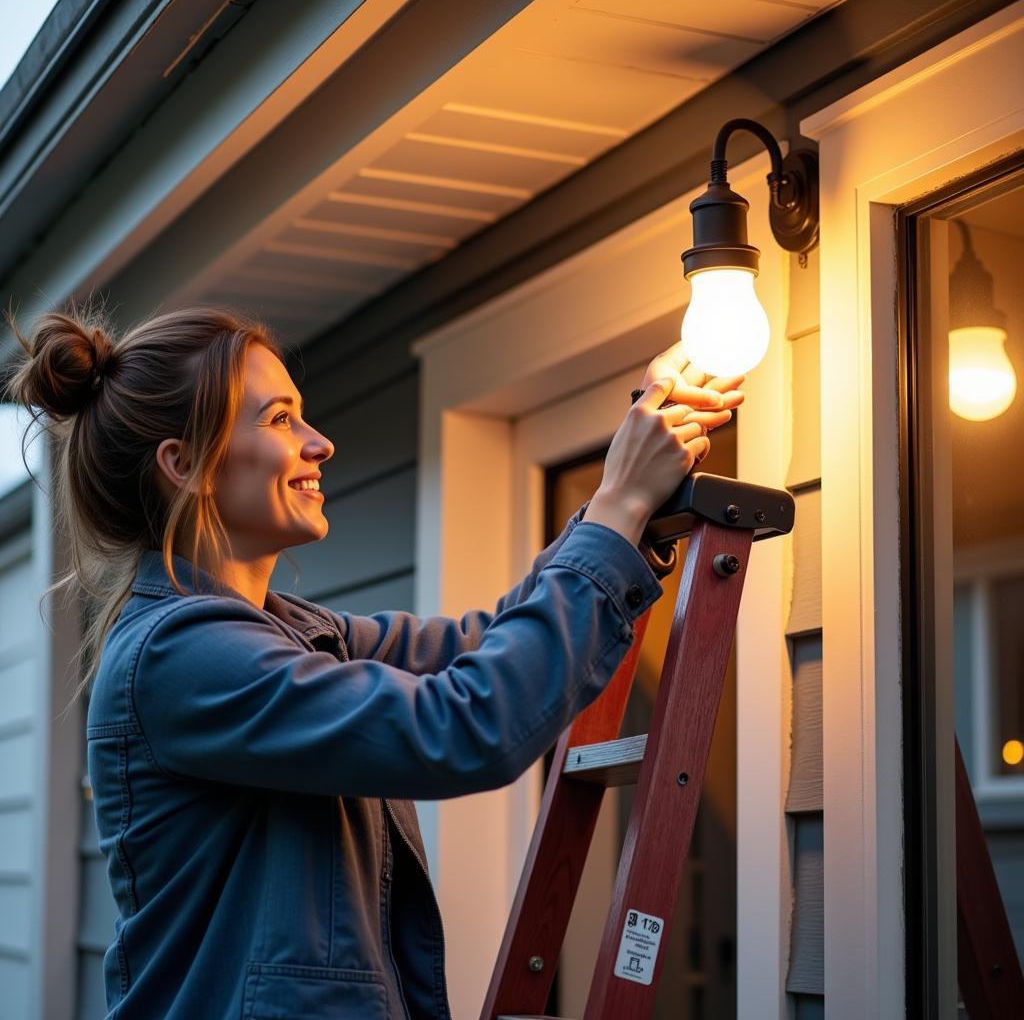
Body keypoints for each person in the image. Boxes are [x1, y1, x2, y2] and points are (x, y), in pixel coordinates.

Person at [4, 306, 743, 1019]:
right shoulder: (178, 657)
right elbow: (464, 725)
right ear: (186, 465)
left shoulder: (293, 635)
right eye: (279, 418)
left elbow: (484, 645)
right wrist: (615, 506)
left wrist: (625, 507)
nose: (320, 443)